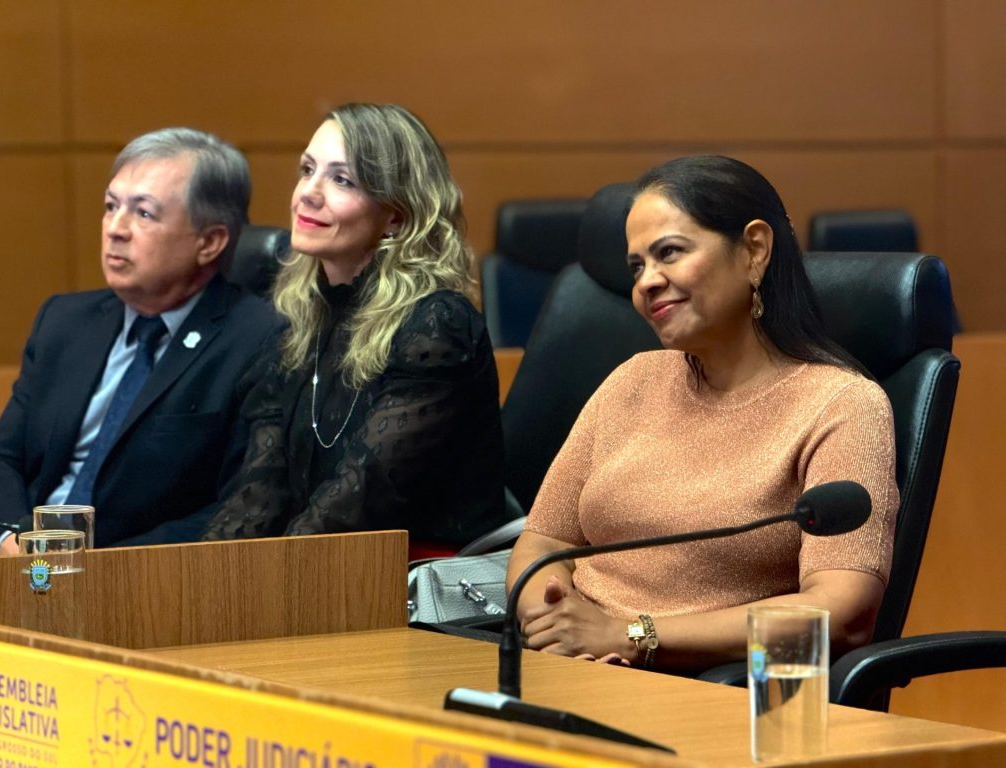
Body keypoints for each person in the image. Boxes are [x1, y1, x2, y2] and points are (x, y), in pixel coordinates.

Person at [506, 156, 899, 673]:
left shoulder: (842, 404)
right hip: (568, 667)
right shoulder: (632, 380)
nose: (647, 282)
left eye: (669, 252)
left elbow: (841, 611)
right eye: (636, 266)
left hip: (711, 689)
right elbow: (544, 540)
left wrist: (634, 635)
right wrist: (555, 627)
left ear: (754, 250)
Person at [204, 103, 507, 553]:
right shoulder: (298, 322)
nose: (308, 192)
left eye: (341, 179)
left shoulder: (438, 326)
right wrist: (203, 579)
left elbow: (354, 509)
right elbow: (259, 492)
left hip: (413, 585)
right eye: (307, 170)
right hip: (328, 572)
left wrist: (260, 590)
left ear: (396, 218)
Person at [0, 127, 279, 555]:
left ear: (209, 241)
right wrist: (8, 541)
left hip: (140, 585)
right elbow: (0, 460)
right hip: (22, 565)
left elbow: (238, 508)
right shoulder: (65, 322)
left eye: (143, 213)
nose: (115, 229)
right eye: (110, 206)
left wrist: (102, 569)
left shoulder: (257, 340)